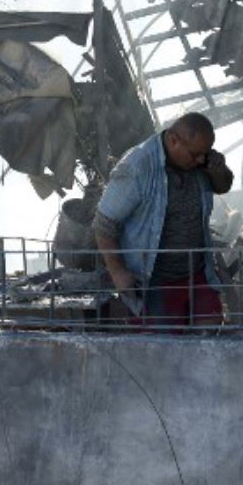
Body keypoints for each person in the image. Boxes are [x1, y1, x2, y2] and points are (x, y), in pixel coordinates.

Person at [93, 112, 235, 330]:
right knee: (164, 349)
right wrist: (118, 272)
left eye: (204, 154)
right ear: (172, 140)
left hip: (198, 273)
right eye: (195, 154)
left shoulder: (201, 162)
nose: (200, 160)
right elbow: (104, 223)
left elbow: (222, 186)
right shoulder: (137, 166)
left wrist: (218, 169)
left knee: (211, 339)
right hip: (153, 282)